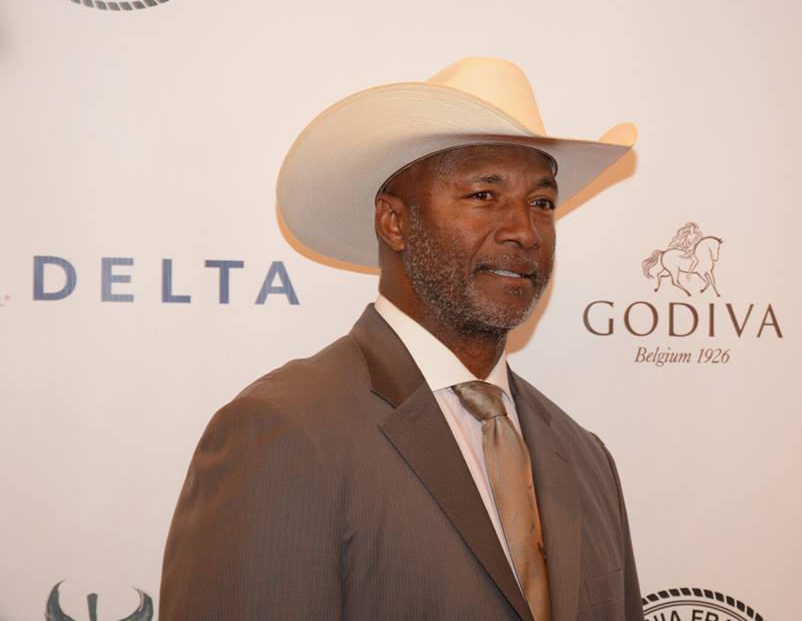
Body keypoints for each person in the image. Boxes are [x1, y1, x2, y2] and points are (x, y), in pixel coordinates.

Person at [160, 57, 642, 620]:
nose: (524, 230)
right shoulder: (286, 432)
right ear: (394, 222)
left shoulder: (585, 458)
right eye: (484, 195)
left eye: (542, 203)